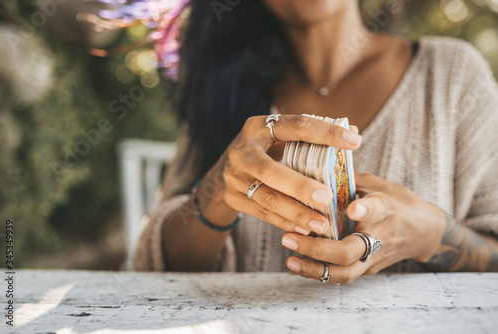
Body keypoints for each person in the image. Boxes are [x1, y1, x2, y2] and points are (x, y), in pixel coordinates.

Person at [133, 0, 498, 283]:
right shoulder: (221, 91)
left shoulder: (452, 76)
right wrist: (220, 189)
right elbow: (157, 265)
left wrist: (429, 235)